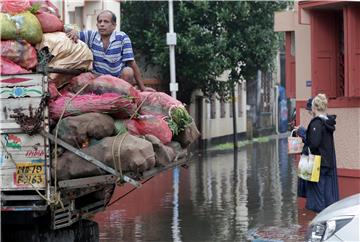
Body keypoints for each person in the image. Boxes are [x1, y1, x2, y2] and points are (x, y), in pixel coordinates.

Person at [66, 10, 153, 91]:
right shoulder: (91, 35)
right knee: (83, 78)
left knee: (128, 71)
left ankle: (125, 97)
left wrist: (143, 88)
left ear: (114, 25)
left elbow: (131, 63)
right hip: (99, 79)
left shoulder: (122, 38)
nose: (102, 24)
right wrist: (75, 30)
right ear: (97, 25)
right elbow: (67, 27)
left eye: (106, 22)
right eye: (99, 22)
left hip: (118, 80)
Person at [296, 94, 339, 213]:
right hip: (327, 163)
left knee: (318, 196)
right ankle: (326, 221)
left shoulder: (316, 123)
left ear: (314, 107)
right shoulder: (327, 122)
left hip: (317, 165)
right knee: (326, 194)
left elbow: (314, 144)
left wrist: (305, 141)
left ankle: (320, 224)